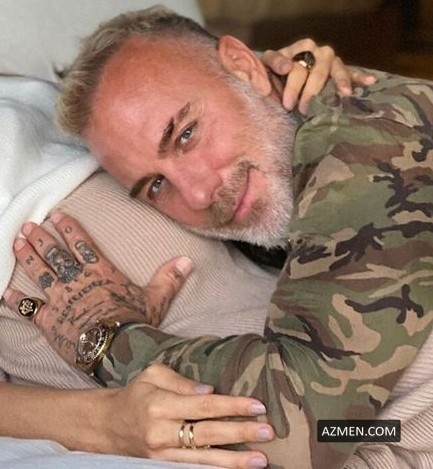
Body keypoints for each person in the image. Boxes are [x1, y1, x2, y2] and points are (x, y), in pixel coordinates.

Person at [4, 5, 433, 468]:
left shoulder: (361, 144)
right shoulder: (289, 138)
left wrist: (111, 342)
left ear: (245, 66)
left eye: (186, 134)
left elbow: (298, 428)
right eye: (156, 185)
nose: (199, 193)